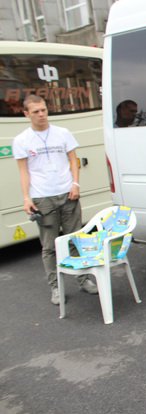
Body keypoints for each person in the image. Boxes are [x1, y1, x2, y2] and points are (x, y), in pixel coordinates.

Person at [13, 95, 98, 305]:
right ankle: (55, 287)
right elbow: (23, 172)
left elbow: (73, 160)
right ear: (26, 114)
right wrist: (26, 198)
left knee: (75, 239)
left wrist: (75, 184)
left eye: (43, 110)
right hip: (43, 198)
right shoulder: (21, 140)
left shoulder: (63, 133)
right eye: (36, 112)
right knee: (49, 246)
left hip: (68, 193)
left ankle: (83, 279)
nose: (41, 114)